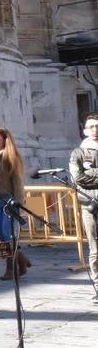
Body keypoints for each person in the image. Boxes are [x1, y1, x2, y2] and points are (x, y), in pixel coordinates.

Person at [0, 126, 30, 280]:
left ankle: (11, 268)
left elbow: (18, 183)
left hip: (10, 200)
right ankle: (22, 260)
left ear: (5, 139)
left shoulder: (11, 156)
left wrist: (18, 203)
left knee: (8, 234)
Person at [69, 113, 98, 303]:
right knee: (95, 249)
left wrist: (92, 173)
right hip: (90, 204)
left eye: (97, 126)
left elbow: (86, 175)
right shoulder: (78, 153)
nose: (95, 130)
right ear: (85, 130)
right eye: (91, 127)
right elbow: (78, 177)